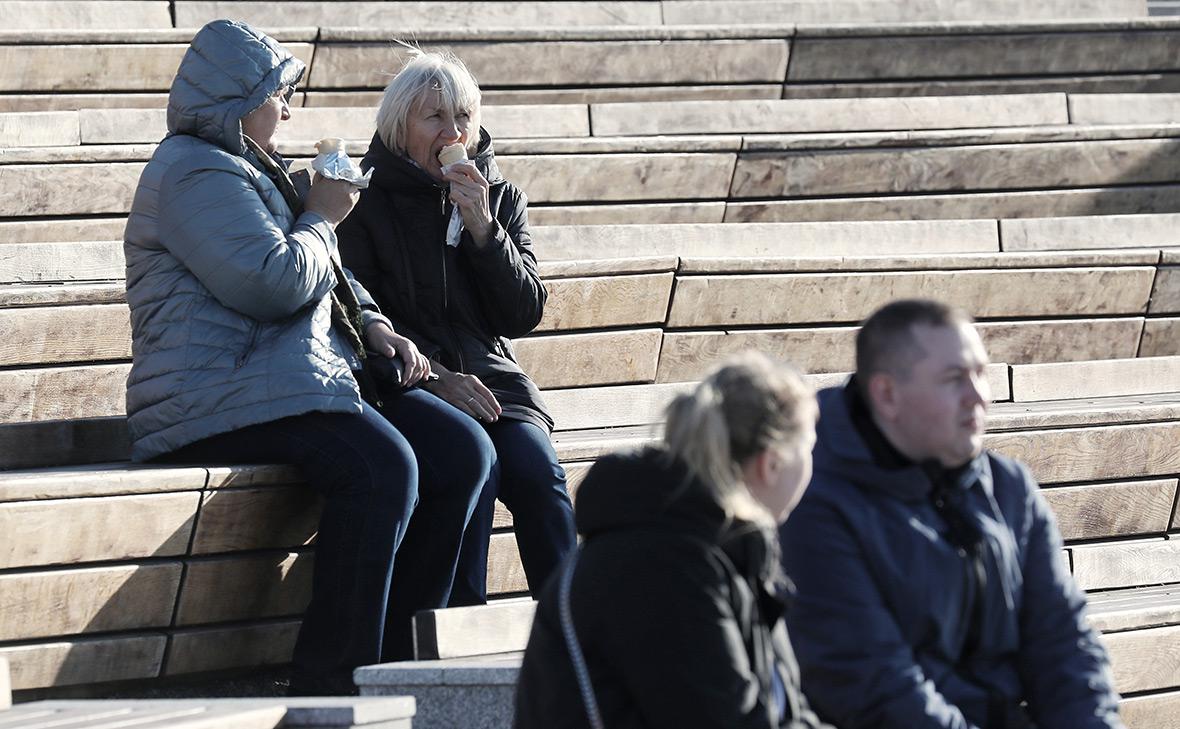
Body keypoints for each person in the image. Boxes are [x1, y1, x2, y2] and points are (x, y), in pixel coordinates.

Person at [123, 20, 491, 694]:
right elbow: (271, 283)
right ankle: (333, 685)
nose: (290, 110)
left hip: (281, 377)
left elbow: (335, 279)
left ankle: (396, 667)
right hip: (212, 392)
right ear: (239, 97)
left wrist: (377, 328)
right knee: (382, 468)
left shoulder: (252, 167)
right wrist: (324, 214)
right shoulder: (189, 171)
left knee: (465, 452)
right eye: (279, 94)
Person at [779, 299, 1124, 729]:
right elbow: (870, 684)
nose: (978, 396)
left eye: (981, 373)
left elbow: (1063, 643)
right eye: (954, 379)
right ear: (887, 395)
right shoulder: (815, 502)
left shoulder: (1009, 487)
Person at [337, 48, 575, 604]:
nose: (453, 132)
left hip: (496, 386)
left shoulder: (498, 197)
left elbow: (523, 315)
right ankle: (459, 632)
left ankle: (576, 635)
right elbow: (356, 311)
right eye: (435, 118)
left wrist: (483, 231)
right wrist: (438, 378)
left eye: (463, 118)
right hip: (406, 383)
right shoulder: (363, 201)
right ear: (401, 128)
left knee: (539, 476)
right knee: (474, 465)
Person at [514, 352, 832, 729]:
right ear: (773, 462)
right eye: (809, 449)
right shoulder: (663, 565)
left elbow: (785, 712)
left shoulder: (725, 550)